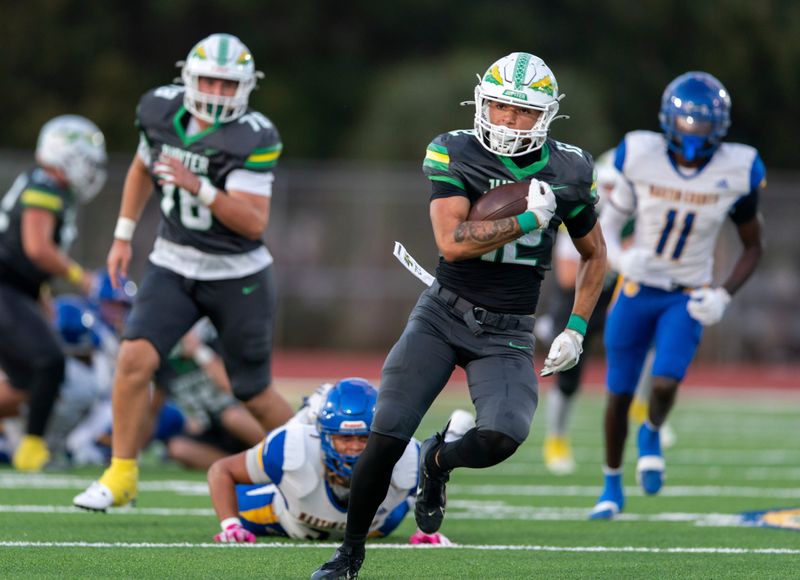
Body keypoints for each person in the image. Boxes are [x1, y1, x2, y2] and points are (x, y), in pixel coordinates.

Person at [312, 52, 607, 578]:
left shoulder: (570, 169)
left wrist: (577, 328)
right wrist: (527, 219)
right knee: (386, 432)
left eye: (522, 112)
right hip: (442, 315)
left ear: (545, 116)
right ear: (481, 104)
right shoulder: (454, 151)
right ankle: (349, 555)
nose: (508, 121)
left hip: (510, 329)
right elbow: (451, 244)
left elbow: (595, 254)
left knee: (503, 436)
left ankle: (437, 462)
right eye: (498, 107)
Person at [74, 32, 293, 512]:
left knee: (252, 392)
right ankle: (121, 474)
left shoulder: (254, 135)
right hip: (173, 261)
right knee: (134, 358)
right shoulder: (157, 110)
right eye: (209, 82)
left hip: (238, 273)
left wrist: (200, 187)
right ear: (189, 79)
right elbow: (140, 167)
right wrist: (123, 234)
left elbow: (254, 222)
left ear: (245, 88)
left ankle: (314, 464)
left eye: (227, 85)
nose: (216, 94)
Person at [589, 72, 765, 520]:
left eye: (701, 123)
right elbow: (606, 224)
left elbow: (753, 245)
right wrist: (622, 261)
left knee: (665, 382)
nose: (692, 131)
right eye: (685, 121)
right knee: (618, 394)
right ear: (668, 119)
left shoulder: (738, 168)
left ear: (719, 126)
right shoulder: (640, 155)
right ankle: (611, 485)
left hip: (686, 294)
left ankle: (651, 431)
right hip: (636, 289)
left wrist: (723, 295)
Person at [209, 378, 468, 544]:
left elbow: (431, 491)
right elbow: (222, 471)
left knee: (417, 478)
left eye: (363, 438)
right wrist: (231, 525)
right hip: (289, 521)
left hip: (377, 526)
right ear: (322, 435)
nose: (354, 449)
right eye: (345, 438)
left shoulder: (408, 454)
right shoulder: (291, 446)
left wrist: (427, 530)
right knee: (241, 498)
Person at [0, 115, 106, 472]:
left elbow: (27, 259)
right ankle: (31, 451)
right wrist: (81, 277)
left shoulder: (47, 186)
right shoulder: (46, 184)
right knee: (48, 362)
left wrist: (40, 296)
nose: (91, 170)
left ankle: (30, 447)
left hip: (14, 288)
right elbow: (36, 248)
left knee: (30, 378)